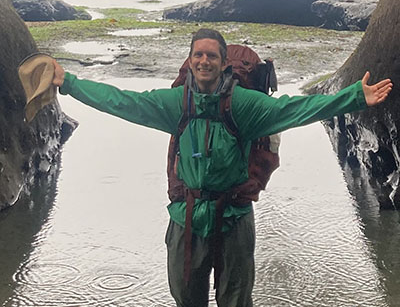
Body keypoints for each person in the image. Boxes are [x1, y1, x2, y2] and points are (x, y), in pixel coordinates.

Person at [52, 28, 392, 307]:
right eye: (198, 54)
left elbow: (295, 109)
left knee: (236, 301)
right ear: (189, 60)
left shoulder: (243, 106)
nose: (204, 61)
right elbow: (121, 101)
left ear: (223, 62)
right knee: (186, 299)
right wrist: (68, 83)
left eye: (211, 55)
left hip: (234, 218)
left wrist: (354, 97)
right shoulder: (175, 104)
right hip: (186, 217)